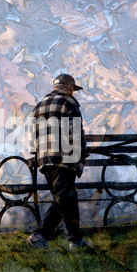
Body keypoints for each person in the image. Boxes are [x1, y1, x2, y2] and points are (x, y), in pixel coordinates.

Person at [27, 74, 92, 250]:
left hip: (45, 160)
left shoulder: (39, 106)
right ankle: (73, 241)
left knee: (62, 199)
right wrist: (82, 154)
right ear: (69, 87)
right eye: (73, 89)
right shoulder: (69, 103)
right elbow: (75, 133)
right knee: (66, 198)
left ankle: (43, 236)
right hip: (64, 158)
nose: (73, 92)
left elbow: (33, 137)